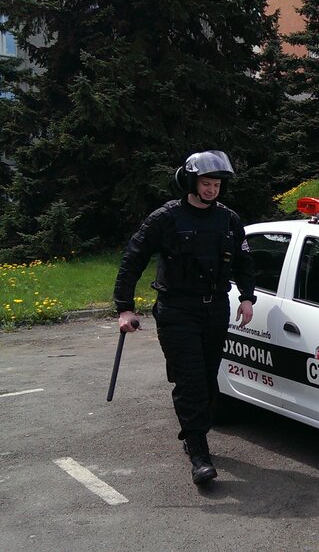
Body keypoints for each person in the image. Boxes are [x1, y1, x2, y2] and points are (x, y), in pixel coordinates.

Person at [113, 150, 257, 485]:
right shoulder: (166, 218)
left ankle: (194, 433)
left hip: (215, 309)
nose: (211, 189)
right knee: (190, 380)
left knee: (206, 378)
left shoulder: (229, 219)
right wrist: (125, 307)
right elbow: (132, 259)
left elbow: (244, 262)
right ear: (190, 182)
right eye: (206, 183)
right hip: (177, 310)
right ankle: (198, 452)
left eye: (216, 184)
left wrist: (247, 297)